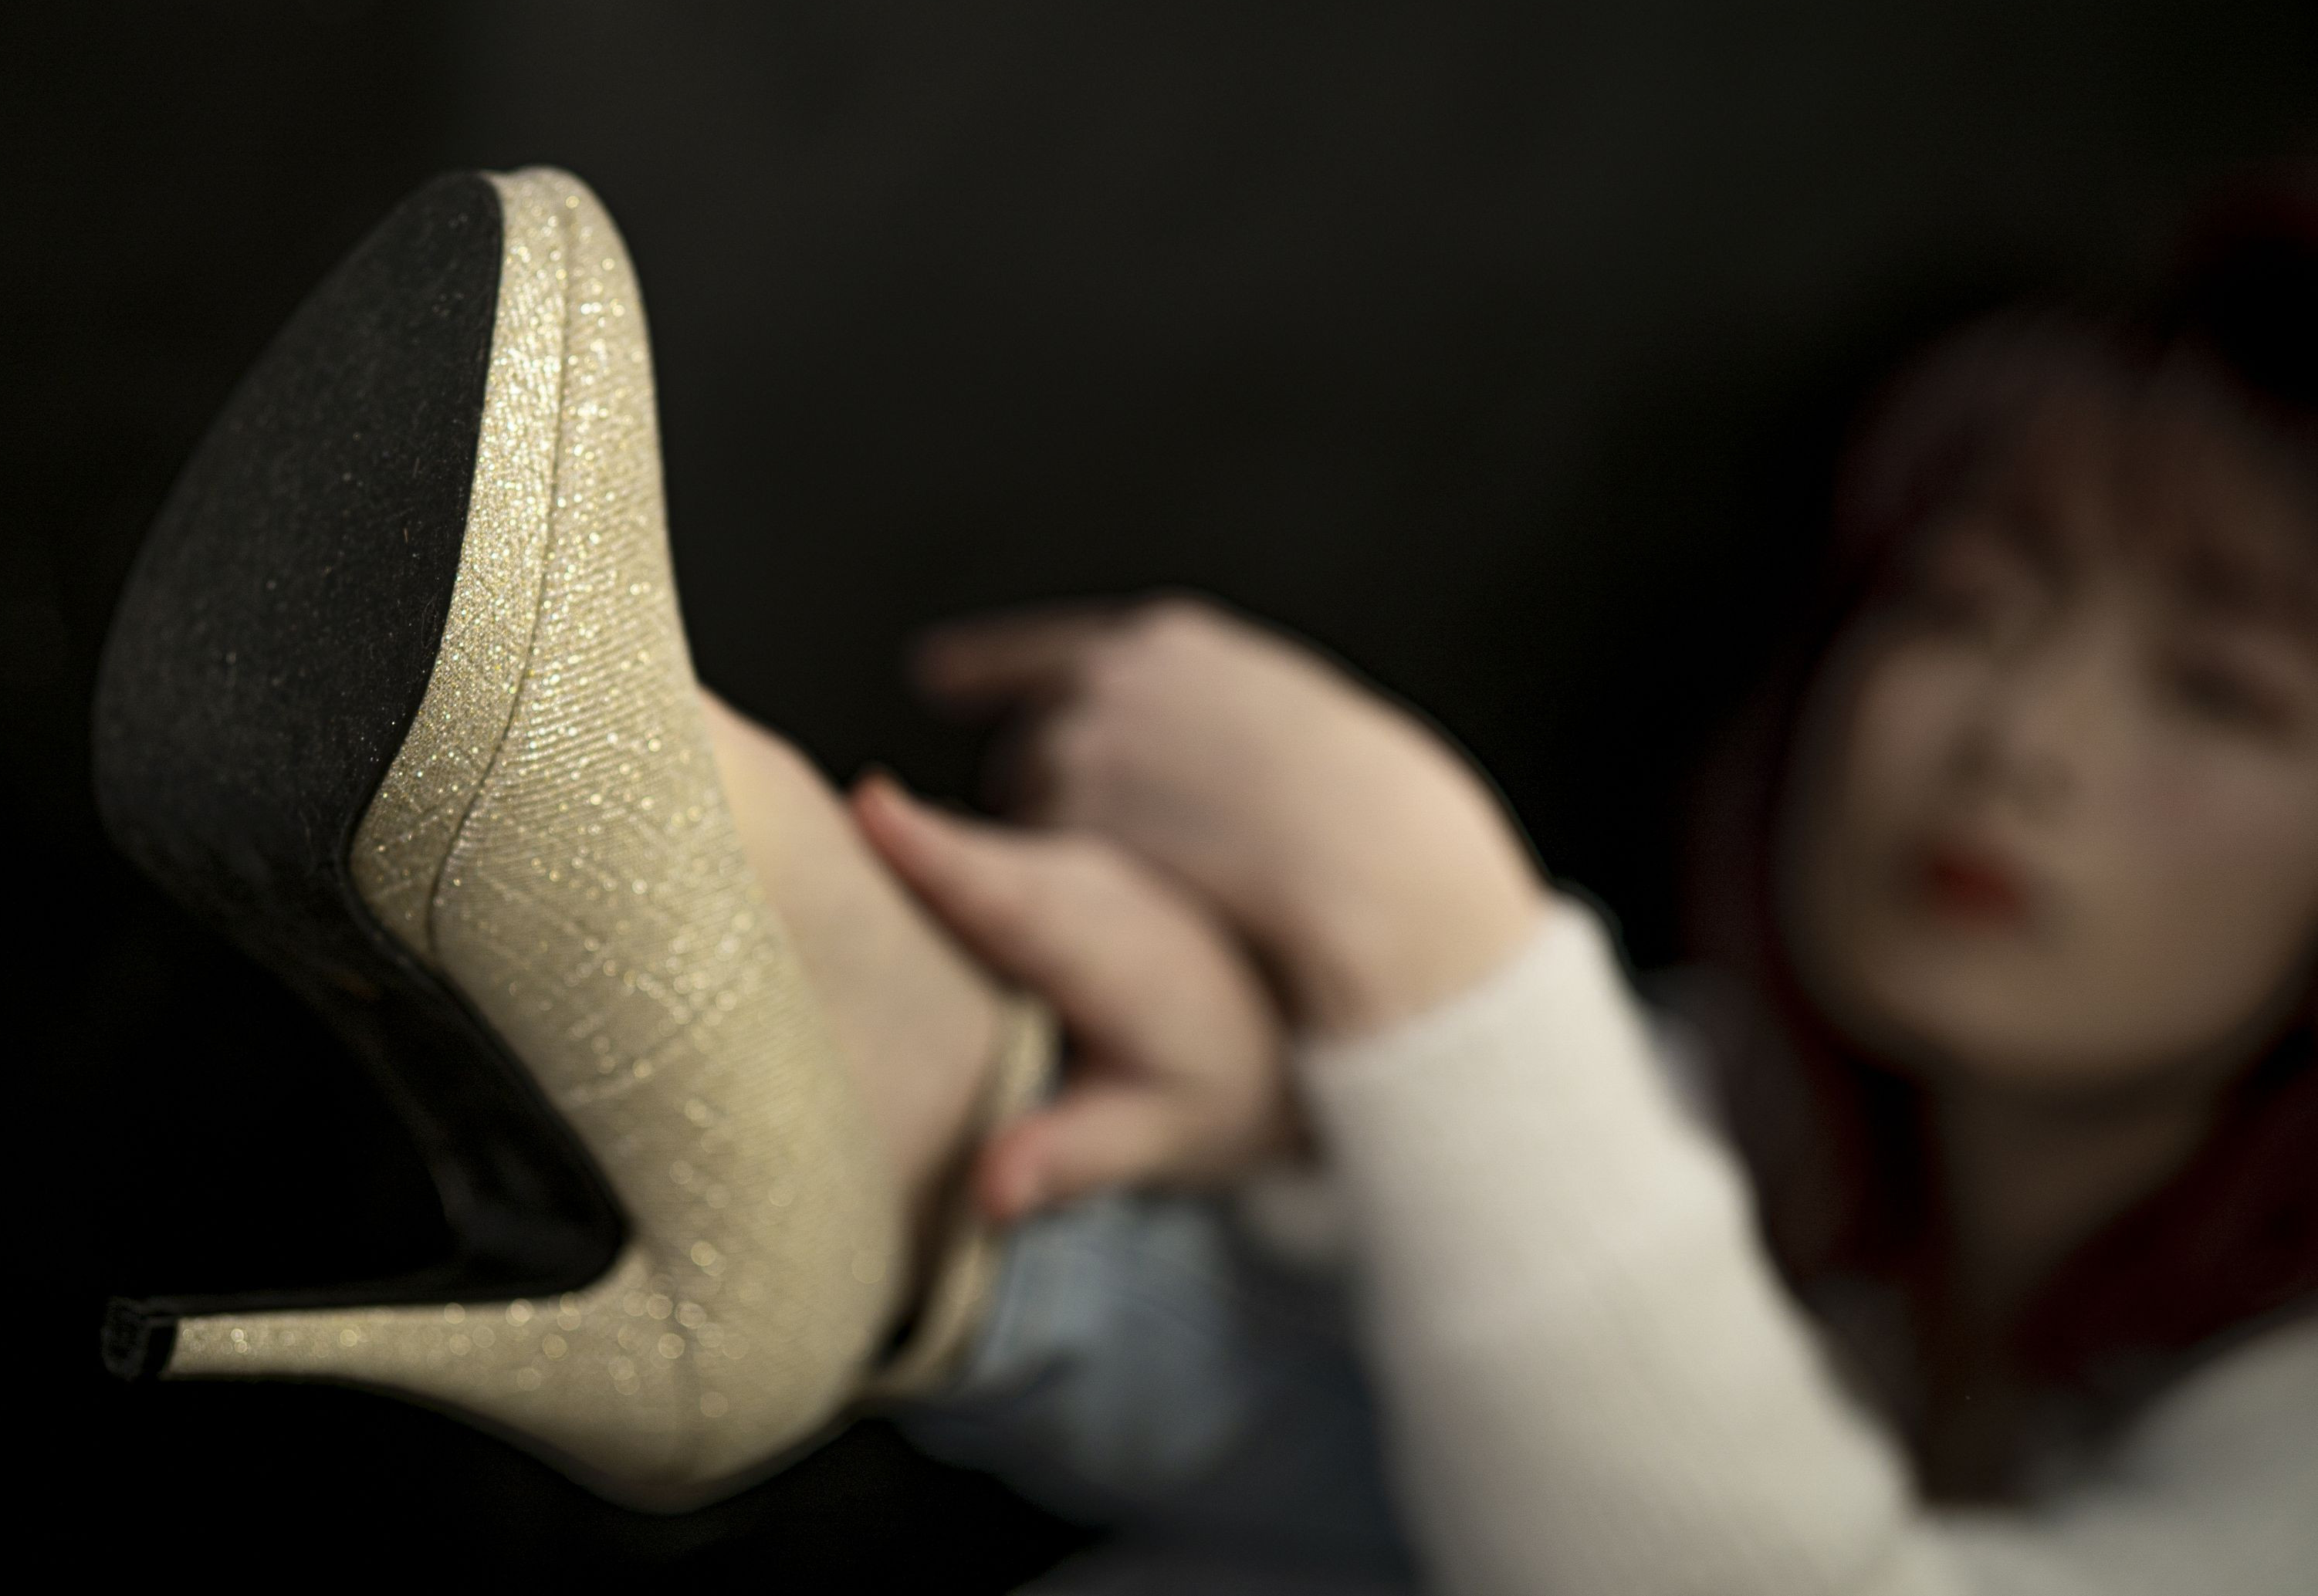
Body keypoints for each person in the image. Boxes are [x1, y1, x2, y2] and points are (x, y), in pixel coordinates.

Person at [786, 179, 2318, 1591]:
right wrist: (1267, 1084)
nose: (2024, 738)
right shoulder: (1764, 1123)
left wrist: (1417, 912)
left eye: (2222, 691)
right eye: (1965, 603)